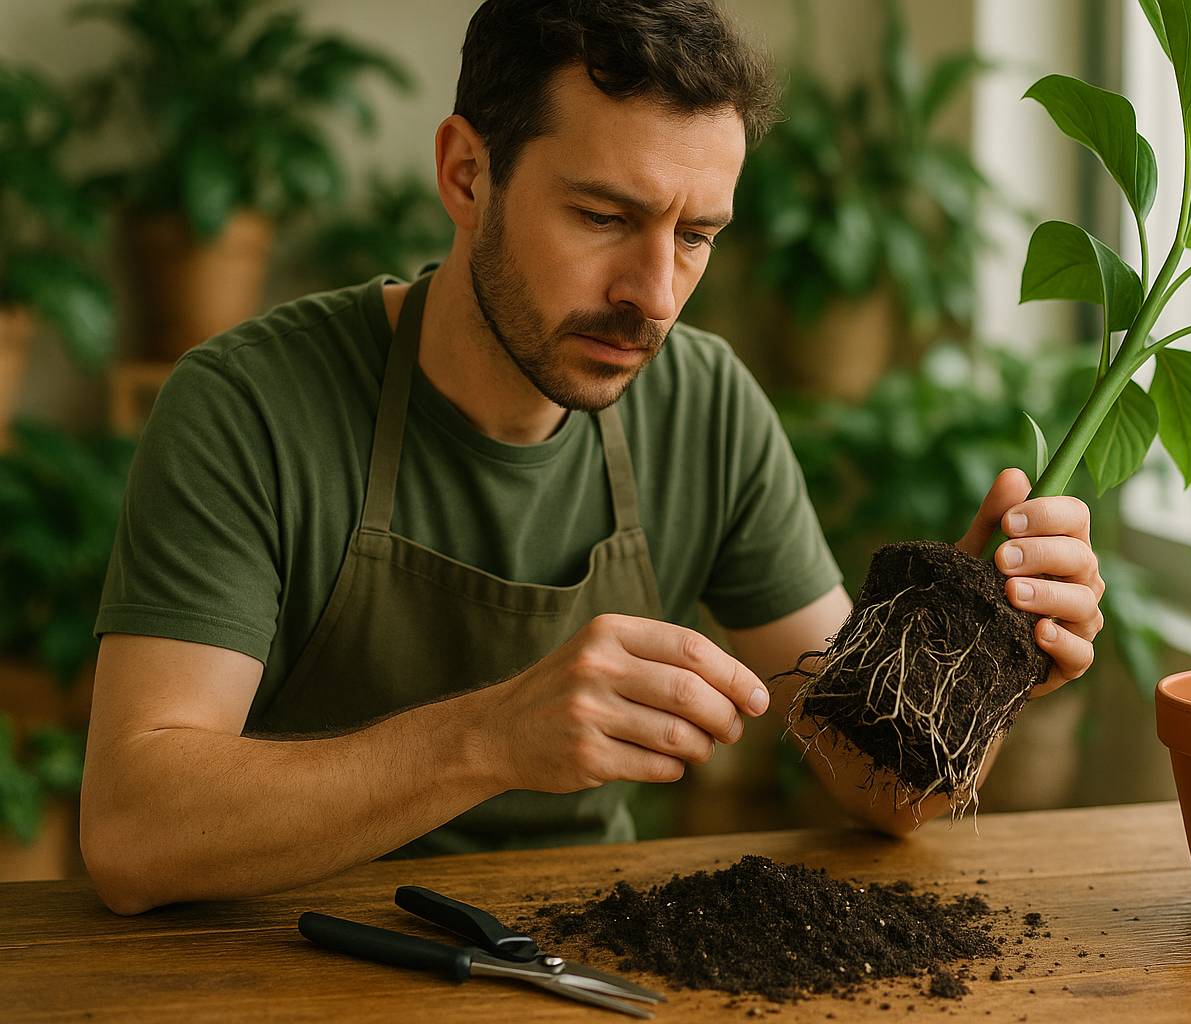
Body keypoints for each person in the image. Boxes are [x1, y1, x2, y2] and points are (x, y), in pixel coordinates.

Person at [79, 0, 1104, 916]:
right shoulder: (247, 407)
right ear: (467, 174)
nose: (653, 295)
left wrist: (969, 656)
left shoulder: (706, 407)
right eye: (605, 217)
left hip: (576, 945)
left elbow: (878, 792)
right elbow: (133, 833)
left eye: (696, 235)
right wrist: (489, 738)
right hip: (286, 957)